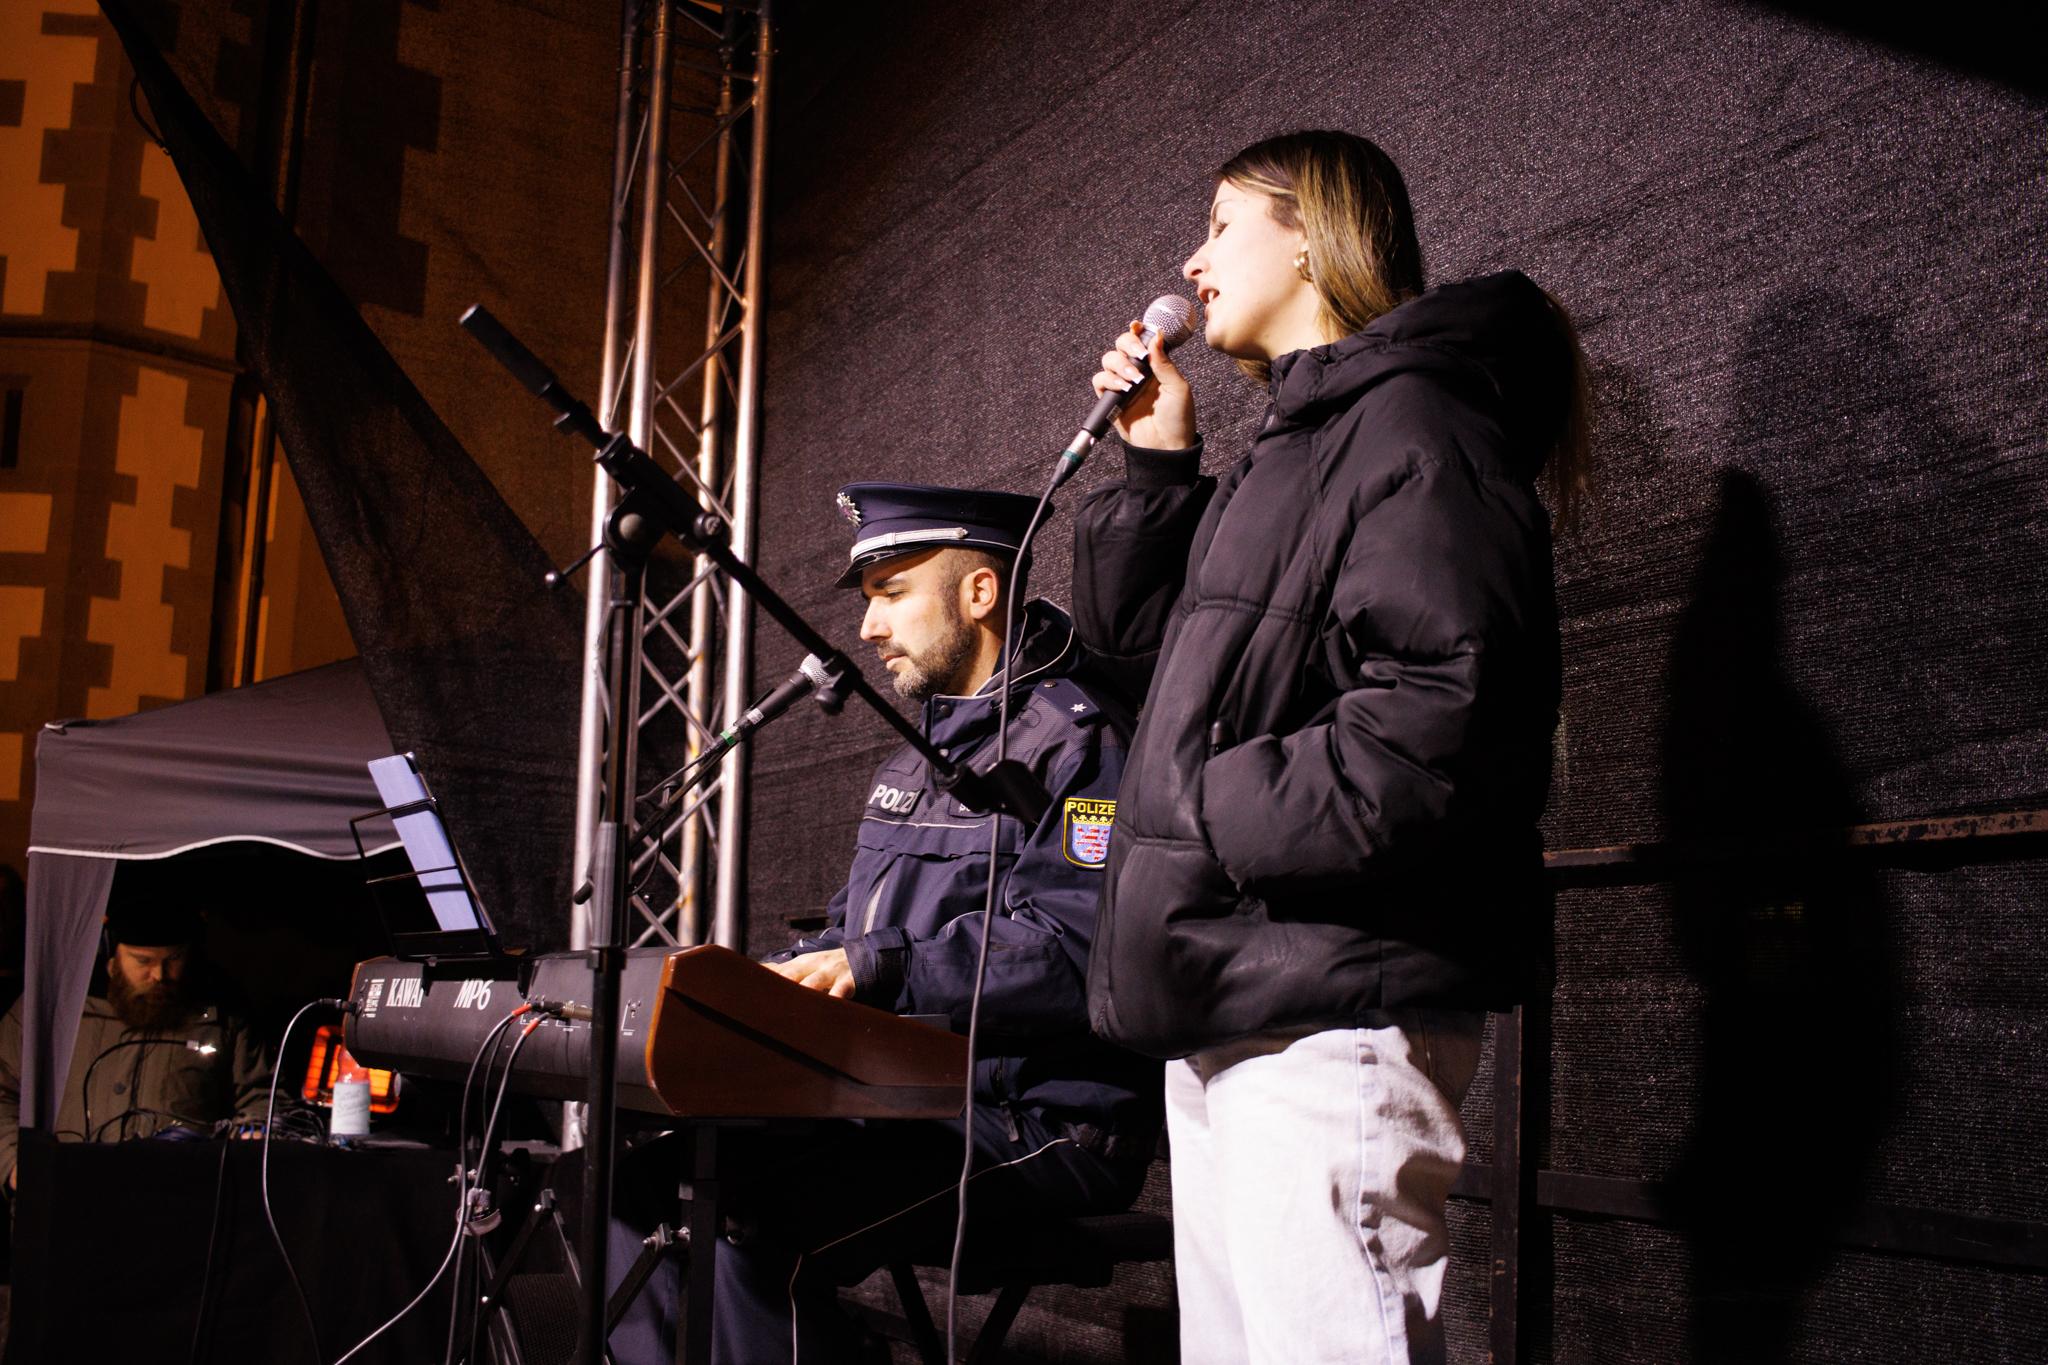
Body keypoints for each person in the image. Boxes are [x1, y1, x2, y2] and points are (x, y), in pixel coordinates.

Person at [1071, 129, 1588, 1365]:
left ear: (1308, 232)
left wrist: (1209, 815)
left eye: (1219, 224)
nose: (1190, 264)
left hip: (1326, 1005)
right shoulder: (1291, 452)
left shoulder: (1411, 426)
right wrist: (1154, 470)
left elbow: (1444, 714)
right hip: (1233, 995)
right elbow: (1153, 666)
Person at [604, 483, 1159, 1365]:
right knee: (632, 1187)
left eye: (891, 593)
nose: (867, 628)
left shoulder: (1082, 742)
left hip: (1037, 1123)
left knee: (746, 1217)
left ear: (979, 594)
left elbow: (1078, 956)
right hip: (904, 1102)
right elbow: (849, 930)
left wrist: (873, 965)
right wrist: (760, 984)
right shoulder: (920, 754)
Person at [0, 900, 272, 1194]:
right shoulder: (52, 1007)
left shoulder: (225, 1015)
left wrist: (248, 1140)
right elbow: (3, 1091)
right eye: (143, 961)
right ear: (111, 958)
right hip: (67, 1203)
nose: (159, 975)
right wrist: (15, 1163)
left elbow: (261, 1099)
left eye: (174, 959)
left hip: (181, 1206)